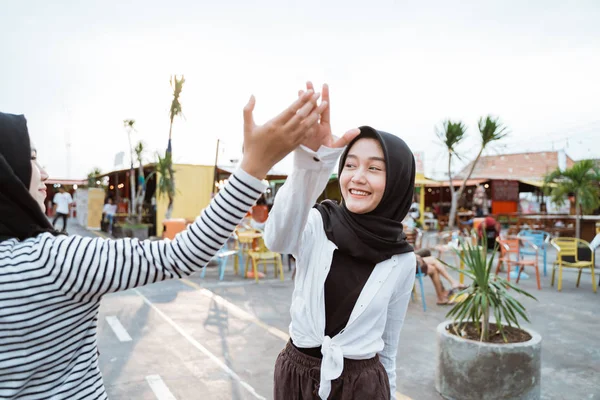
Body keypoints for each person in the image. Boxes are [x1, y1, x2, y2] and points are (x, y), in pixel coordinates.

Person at [0, 88, 327, 400]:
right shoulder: (52, 261)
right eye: (30, 158)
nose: (43, 173)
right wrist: (255, 163)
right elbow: (182, 252)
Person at [265, 83, 416, 400]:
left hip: (362, 387)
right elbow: (276, 239)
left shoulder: (402, 259)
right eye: (350, 165)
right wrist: (311, 162)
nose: (358, 177)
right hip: (296, 378)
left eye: (374, 168)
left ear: (398, 183)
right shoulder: (319, 223)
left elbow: (389, 345)